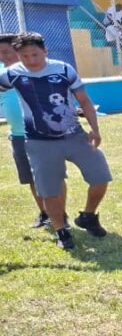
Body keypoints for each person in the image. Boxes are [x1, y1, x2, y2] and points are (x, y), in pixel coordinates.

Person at [0, 32, 111, 250]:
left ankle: (88, 216)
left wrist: (95, 129)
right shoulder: (12, 74)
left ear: (45, 51)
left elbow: (84, 101)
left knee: (100, 176)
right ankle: (62, 231)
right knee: (49, 190)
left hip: (75, 136)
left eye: (35, 54)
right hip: (38, 142)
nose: (31, 60)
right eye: (25, 56)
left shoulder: (64, 69)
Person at [0, 33, 54, 229]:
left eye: (6, 52)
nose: (3, 57)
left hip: (41, 134)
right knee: (31, 177)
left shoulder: (35, 71)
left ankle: (58, 213)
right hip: (18, 136)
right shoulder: (2, 74)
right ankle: (45, 213)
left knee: (48, 177)